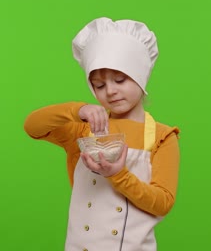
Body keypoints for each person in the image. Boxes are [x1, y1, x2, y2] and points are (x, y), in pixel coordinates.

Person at [23, 17, 180, 251]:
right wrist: (77, 109)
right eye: (99, 85)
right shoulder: (84, 129)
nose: (111, 91)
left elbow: (163, 203)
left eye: (120, 79)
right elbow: (32, 126)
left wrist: (119, 175)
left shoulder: (161, 137)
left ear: (140, 76)